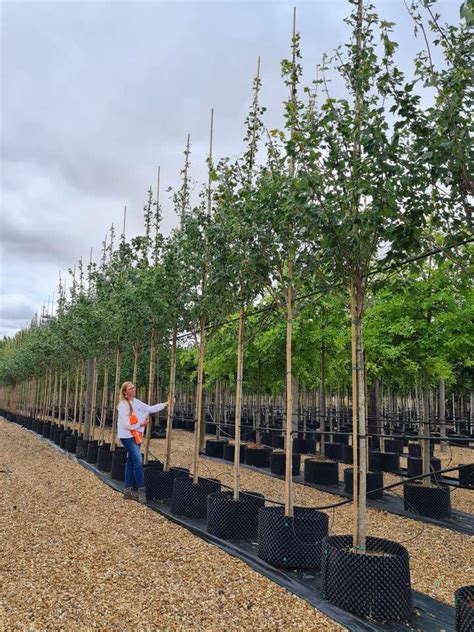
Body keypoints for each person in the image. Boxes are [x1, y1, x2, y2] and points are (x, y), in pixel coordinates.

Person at [117, 381, 168, 503]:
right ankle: (141, 490)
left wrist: (165, 404)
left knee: (131, 461)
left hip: (137, 435)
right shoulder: (123, 405)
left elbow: (149, 408)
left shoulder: (136, 402)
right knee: (138, 461)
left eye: (134, 387)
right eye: (130, 388)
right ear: (125, 392)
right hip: (127, 436)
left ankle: (128, 490)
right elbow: (126, 424)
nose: (133, 390)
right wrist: (141, 424)